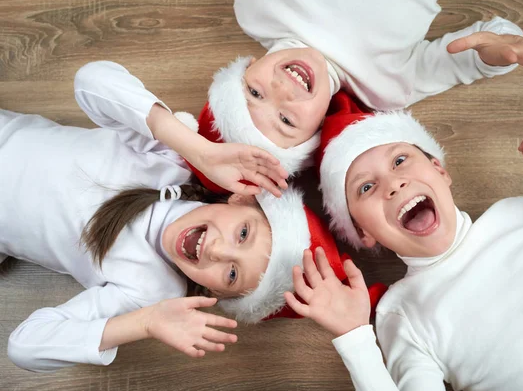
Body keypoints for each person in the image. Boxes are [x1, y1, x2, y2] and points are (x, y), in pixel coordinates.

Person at [284, 91, 523, 391]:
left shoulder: (520, 212)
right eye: (366, 188)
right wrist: (354, 338)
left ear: (440, 170)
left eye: (400, 160)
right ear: (363, 232)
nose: (394, 184)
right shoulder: (402, 313)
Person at [1, 60, 303, 373]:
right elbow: (90, 80)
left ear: (215, 293)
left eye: (231, 274)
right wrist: (197, 150)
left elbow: (25, 346)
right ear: (239, 200)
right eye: (242, 234)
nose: (217, 250)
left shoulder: (151, 293)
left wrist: (144, 323)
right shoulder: (172, 164)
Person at [188, 0, 523, 190]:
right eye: (286, 121)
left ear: (246, 67)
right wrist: (498, 50)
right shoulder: (386, 88)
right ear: (317, 131)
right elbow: (466, 59)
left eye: (254, 93)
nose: (281, 92)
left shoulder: (256, 8)